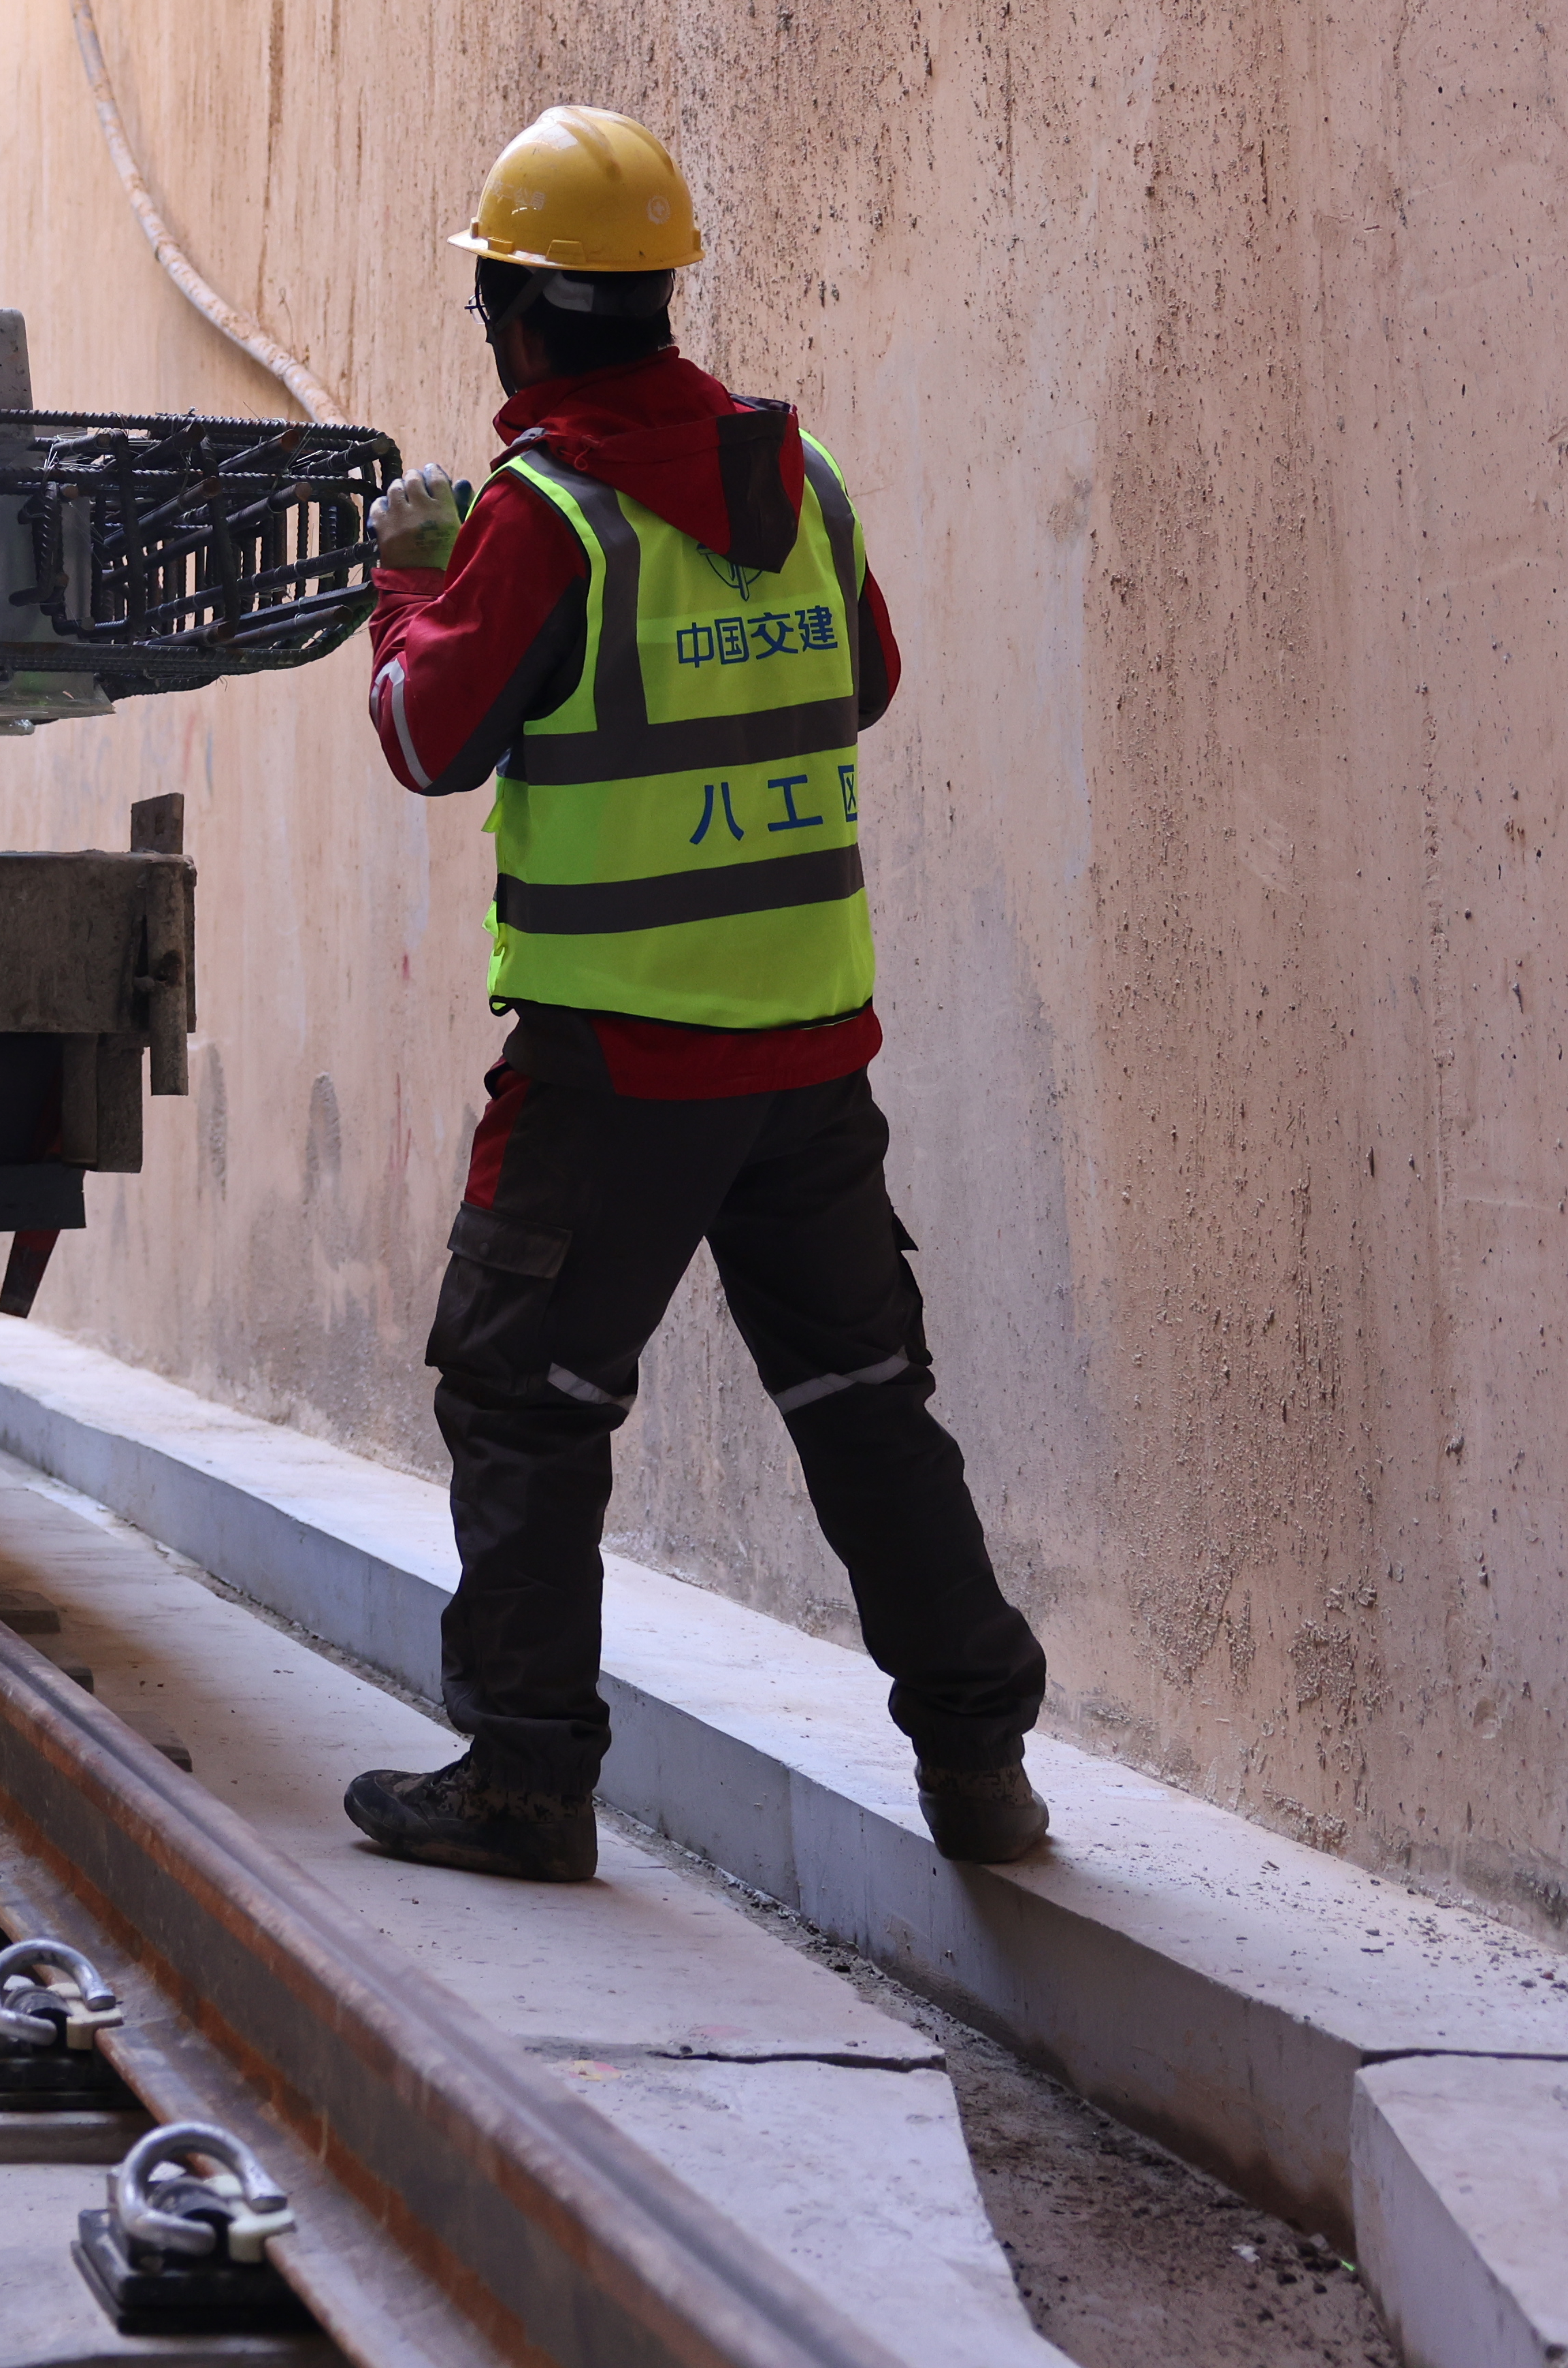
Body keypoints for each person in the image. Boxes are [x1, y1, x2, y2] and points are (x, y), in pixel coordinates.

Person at [338, 110, 1049, 1883]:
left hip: (616, 1062)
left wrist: (409, 584)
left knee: (522, 1397)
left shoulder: (546, 518)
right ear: (657, 298)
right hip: (805, 1055)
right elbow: (861, 681)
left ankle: (524, 1781)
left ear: (517, 320)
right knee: (865, 1397)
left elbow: (428, 736)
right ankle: (980, 1762)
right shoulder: (802, 483)